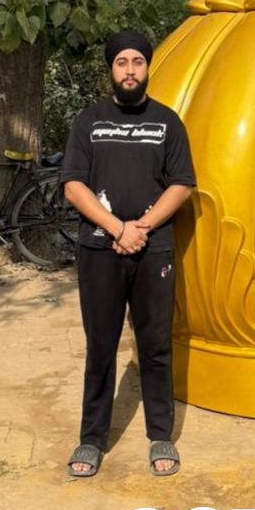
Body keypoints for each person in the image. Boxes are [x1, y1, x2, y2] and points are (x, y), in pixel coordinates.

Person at [61, 30, 195, 479]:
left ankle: (160, 434)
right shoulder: (89, 122)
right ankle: (91, 438)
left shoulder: (167, 123)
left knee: (155, 346)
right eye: (122, 63)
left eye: (138, 61)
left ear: (147, 67)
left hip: (153, 249)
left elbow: (181, 184)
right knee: (100, 346)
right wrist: (117, 227)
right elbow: (73, 185)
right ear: (111, 70)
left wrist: (142, 227)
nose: (130, 70)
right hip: (99, 249)